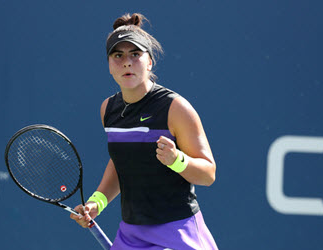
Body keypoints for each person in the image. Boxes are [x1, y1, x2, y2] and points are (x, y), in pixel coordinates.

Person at [71, 13, 218, 250]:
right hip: (132, 235)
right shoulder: (108, 109)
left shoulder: (175, 108)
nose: (127, 62)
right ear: (109, 64)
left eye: (135, 54)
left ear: (149, 62)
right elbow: (122, 162)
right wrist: (97, 202)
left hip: (179, 232)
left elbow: (208, 174)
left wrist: (177, 160)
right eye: (118, 55)